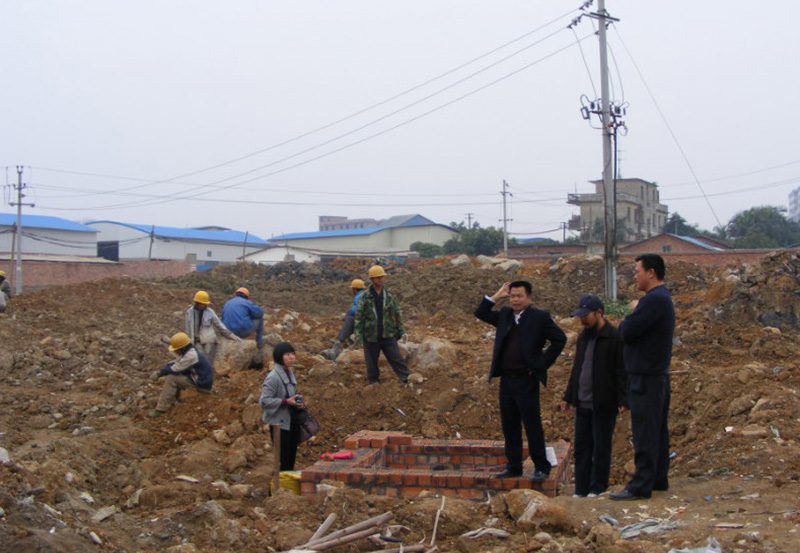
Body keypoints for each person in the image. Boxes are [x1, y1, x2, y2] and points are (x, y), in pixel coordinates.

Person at [475, 281, 566, 483]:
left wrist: (541, 364)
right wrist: (497, 295)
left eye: (519, 296)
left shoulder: (539, 317)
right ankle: (513, 466)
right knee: (510, 425)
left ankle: (541, 467)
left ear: (529, 298)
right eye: (512, 296)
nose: (515, 300)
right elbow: (481, 313)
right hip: (507, 380)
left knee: (532, 425)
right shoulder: (506, 315)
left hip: (527, 379)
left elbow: (560, 339)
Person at [610, 254, 675, 501]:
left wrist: (632, 311)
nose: (634, 276)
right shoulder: (662, 298)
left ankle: (641, 485)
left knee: (645, 432)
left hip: (646, 378)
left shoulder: (653, 301)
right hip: (655, 376)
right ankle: (658, 478)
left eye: (637, 271)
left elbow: (625, 331)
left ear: (650, 273)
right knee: (656, 430)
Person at [559, 295, 628, 497]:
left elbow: (621, 371)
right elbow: (577, 369)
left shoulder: (613, 337)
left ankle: (598, 488)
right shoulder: (583, 336)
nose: (582, 320)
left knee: (601, 448)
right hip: (583, 402)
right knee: (582, 448)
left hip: (603, 403)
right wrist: (568, 396)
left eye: (586, 316)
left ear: (599, 313)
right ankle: (581, 489)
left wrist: (623, 399)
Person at [354, 265, 410, 384]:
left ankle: (405, 378)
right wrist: (358, 335)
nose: (380, 279)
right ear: (372, 279)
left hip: (388, 333)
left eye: (381, 277)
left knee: (396, 358)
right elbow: (359, 317)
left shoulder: (389, 295)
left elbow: (397, 313)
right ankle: (373, 383)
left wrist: (402, 330)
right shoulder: (365, 297)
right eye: (377, 277)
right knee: (371, 362)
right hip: (371, 335)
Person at [260, 342, 305, 471]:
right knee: (283, 461)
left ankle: (287, 489)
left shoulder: (289, 372)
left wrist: (296, 403)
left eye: (293, 354)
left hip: (291, 422)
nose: (292, 357)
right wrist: (285, 402)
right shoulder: (273, 377)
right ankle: (276, 490)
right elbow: (264, 401)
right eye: (287, 354)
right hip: (280, 425)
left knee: (290, 460)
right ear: (280, 357)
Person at [148, 332, 213, 418]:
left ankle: (161, 409)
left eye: (177, 349)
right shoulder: (191, 351)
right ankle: (175, 399)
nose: (176, 351)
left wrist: (159, 373)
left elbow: (174, 369)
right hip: (201, 380)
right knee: (178, 374)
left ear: (182, 348)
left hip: (202, 385)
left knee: (172, 378)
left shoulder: (191, 355)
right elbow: (176, 362)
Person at [185, 290, 240, 367]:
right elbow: (188, 328)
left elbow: (219, 325)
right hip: (196, 341)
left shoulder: (210, 312)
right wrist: (188, 342)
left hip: (208, 340)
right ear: (197, 303)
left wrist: (230, 335)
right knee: (198, 360)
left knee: (208, 361)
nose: (204, 306)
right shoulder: (189, 312)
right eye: (203, 304)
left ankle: (208, 375)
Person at [322, 279, 366, 360]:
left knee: (349, 320)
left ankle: (338, 345)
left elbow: (355, 311)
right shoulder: (366, 295)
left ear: (355, 289)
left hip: (365, 322)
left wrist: (347, 316)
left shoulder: (359, 297)